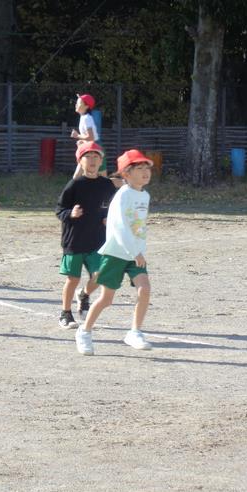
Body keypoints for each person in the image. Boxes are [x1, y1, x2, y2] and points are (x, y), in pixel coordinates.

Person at [74, 149, 153, 355]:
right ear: (126, 174)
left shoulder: (144, 195)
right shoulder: (123, 195)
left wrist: (139, 250)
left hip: (135, 253)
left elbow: (139, 227)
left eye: (147, 168)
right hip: (117, 253)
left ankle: (134, 332)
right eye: (139, 169)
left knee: (144, 289)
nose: (145, 172)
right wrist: (134, 251)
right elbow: (119, 227)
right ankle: (84, 331)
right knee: (106, 299)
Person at [56, 141, 119, 329]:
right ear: (80, 161)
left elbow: (114, 208)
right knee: (72, 278)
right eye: (87, 156)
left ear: (101, 161)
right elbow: (60, 210)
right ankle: (65, 314)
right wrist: (71, 214)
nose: (92, 160)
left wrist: (109, 218)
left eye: (96, 157)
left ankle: (84, 295)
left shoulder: (107, 185)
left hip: (97, 240)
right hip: (74, 240)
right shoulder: (74, 185)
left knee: (100, 274)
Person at [70, 93, 102, 179]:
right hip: (91, 148)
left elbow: (91, 137)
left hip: (93, 149)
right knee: (88, 176)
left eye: (79, 103)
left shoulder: (87, 118)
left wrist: (77, 136)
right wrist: (82, 142)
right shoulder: (84, 117)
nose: (76, 104)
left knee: (77, 177)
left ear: (86, 106)